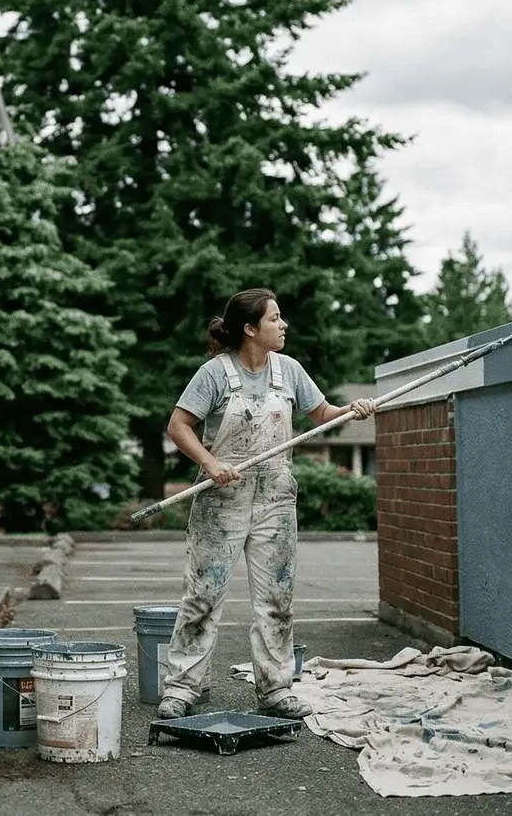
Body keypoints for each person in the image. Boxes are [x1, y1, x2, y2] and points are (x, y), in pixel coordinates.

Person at [156, 288, 377, 720]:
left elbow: (322, 414)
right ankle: (183, 687)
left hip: (275, 497)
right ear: (250, 329)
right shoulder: (214, 374)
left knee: (277, 599)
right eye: (275, 319)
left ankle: (276, 688)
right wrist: (211, 462)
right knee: (202, 596)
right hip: (221, 498)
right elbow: (178, 426)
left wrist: (352, 409)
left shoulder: (289, 371)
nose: (284, 325)